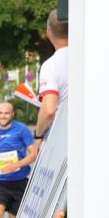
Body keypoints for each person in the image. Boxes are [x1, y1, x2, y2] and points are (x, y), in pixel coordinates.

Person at [35, 9, 69, 144]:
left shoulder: (51, 65)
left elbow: (49, 110)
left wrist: (38, 134)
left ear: (48, 34)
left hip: (63, 139)